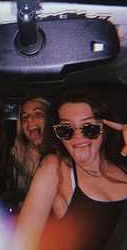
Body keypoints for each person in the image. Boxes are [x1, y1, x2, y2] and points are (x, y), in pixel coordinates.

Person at [13, 87, 127, 250]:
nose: (78, 136)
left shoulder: (124, 167)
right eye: (66, 129)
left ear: (104, 128)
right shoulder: (55, 167)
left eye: (88, 127)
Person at [7, 95, 53, 213]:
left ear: (50, 119)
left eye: (38, 113)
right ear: (21, 128)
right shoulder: (16, 158)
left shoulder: (65, 157)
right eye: (24, 117)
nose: (30, 119)